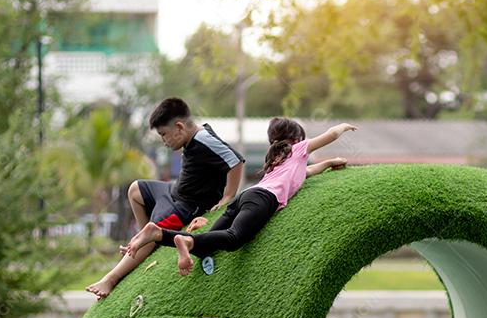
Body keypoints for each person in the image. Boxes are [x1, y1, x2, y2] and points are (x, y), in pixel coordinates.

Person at [124, 118, 355, 276]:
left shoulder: (277, 159)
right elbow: (330, 134)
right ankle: (185, 240)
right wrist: (343, 126)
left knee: (208, 246)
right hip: (263, 200)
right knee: (234, 239)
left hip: (245, 197)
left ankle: (157, 233)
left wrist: (329, 163)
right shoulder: (298, 149)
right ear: (297, 139)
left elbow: (306, 172)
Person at [86, 97, 244, 299]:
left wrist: (228, 196)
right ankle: (144, 242)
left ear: (179, 127)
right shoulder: (193, 136)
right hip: (173, 191)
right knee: (135, 190)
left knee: (154, 231)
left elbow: (235, 161)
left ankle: (111, 278)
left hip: (187, 205)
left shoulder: (204, 139)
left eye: (164, 135)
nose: (164, 141)